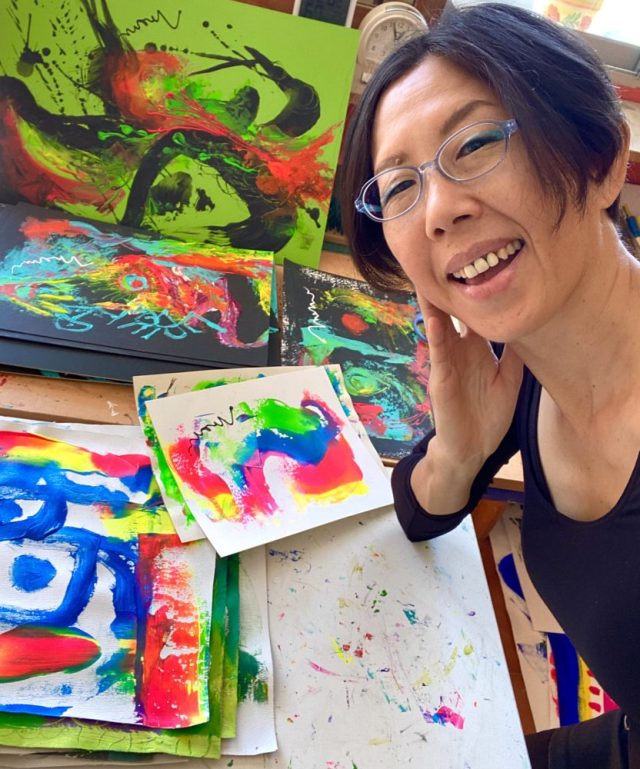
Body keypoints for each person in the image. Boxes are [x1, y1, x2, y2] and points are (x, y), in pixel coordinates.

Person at [339, 3, 639, 768]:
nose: (439, 210)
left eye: (474, 144)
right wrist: (460, 449)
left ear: (601, 159)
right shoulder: (531, 365)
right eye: (398, 187)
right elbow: (419, 513)